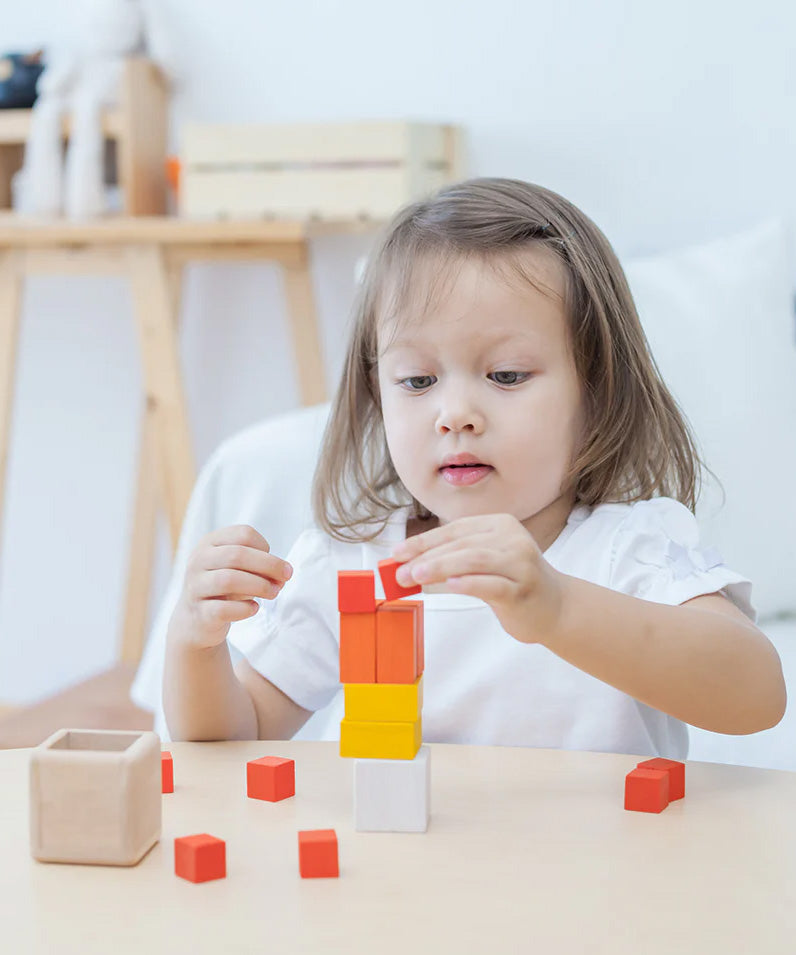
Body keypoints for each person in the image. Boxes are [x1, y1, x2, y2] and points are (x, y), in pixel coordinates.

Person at [163, 177, 786, 758]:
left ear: (595, 389)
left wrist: (559, 609)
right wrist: (194, 644)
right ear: (377, 395)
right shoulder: (348, 567)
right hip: (406, 876)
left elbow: (755, 697)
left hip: (596, 874)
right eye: (418, 380)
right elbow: (234, 738)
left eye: (507, 375)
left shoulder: (627, 549)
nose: (454, 413)